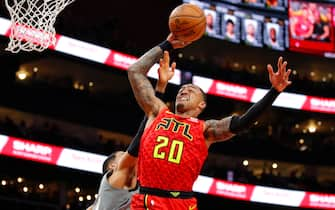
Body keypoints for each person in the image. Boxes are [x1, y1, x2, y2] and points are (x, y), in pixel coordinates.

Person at [127, 33, 292, 209]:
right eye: (182, 88)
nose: (184, 90)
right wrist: (166, 44)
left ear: (201, 105)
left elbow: (242, 122)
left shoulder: (206, 129)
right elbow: (135, 71)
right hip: (145, 198)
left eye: (191, 89)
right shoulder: (157, 112)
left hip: (180, 203)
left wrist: (274, 91)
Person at [87, 62, 174, 210]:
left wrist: (160, 87)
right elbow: (140, 139)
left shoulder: (132, 190)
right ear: (112, 168)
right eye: (124, 155)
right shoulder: (113, 189)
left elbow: (147, 128)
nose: (130, 155)